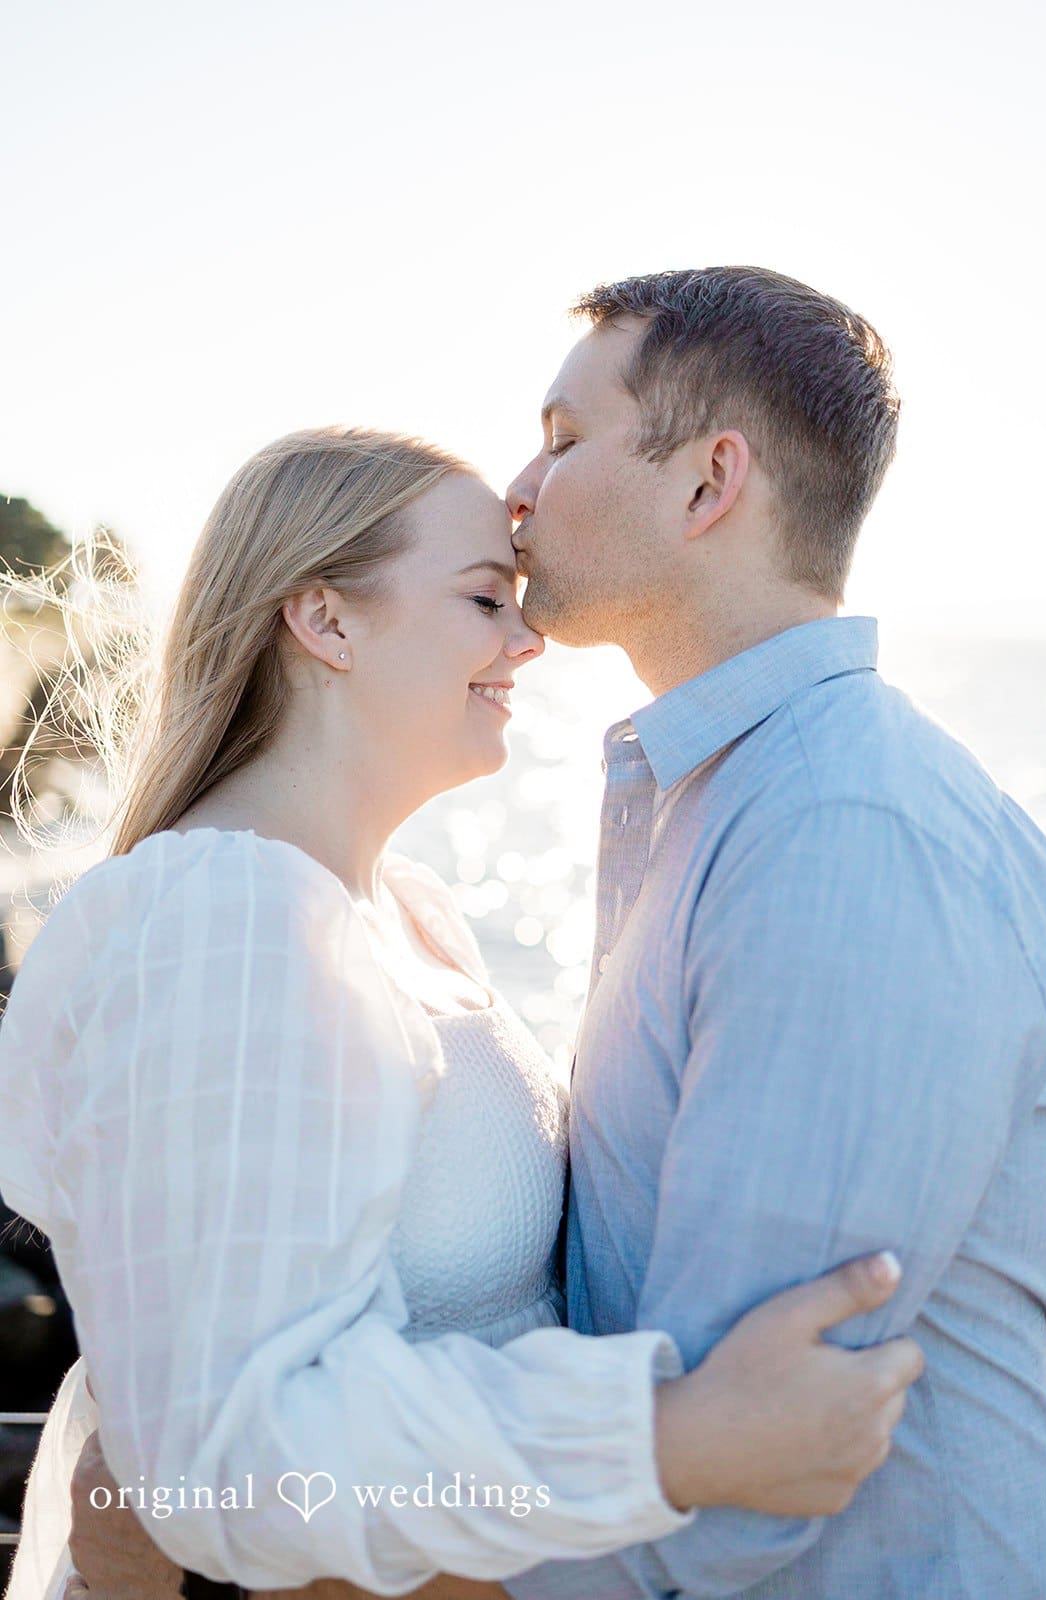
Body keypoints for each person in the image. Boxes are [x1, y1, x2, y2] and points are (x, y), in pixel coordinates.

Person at [0, 425, 922, 1600]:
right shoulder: (223, 915)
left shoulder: (410, 915)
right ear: (324, 620)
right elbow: (221, 1460)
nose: (530, 639)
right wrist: (671, 1438)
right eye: (486, 599)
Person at [493, 266, 1046, 1598]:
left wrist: (325, 1553)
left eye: (564, 439)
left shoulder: (839, 830)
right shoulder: (741, 795)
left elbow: (728, 1483)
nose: (514, 491)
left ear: (707, 485)